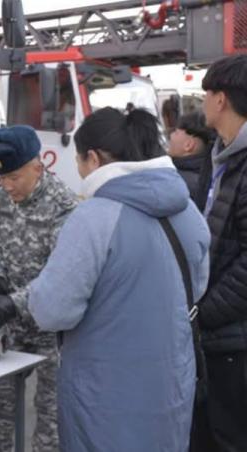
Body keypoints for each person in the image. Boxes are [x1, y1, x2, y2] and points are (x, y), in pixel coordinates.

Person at [28, 107, 210, 452]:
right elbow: (196, 288)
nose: (79, 170)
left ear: (94, 159)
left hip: (105, 397)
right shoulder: (187, 210)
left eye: (79, 161)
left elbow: (52, 311)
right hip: (171, 385)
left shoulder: (93, 217)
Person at [0, 125, 77, 452]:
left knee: (51, 415)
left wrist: (14, 302)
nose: (6, 186)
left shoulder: (62, 205)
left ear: (37, 166)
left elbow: (62, 276)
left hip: (51, 330)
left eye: (13, 177)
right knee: (0, 407)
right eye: (1, 178)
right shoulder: (5, 197)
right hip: (12, 326)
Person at [197, 54, 247, 452]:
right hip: (217, 332)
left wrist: (205, 313)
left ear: (220, 99)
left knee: (229, 436)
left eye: (206, 94)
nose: (202, 103)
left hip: (233, 336)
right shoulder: (221, 156)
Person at [168, 112, 216, 211]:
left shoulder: (178, 181)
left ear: (188, 145)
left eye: (176, 132)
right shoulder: (210, 174)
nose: (171, 135)